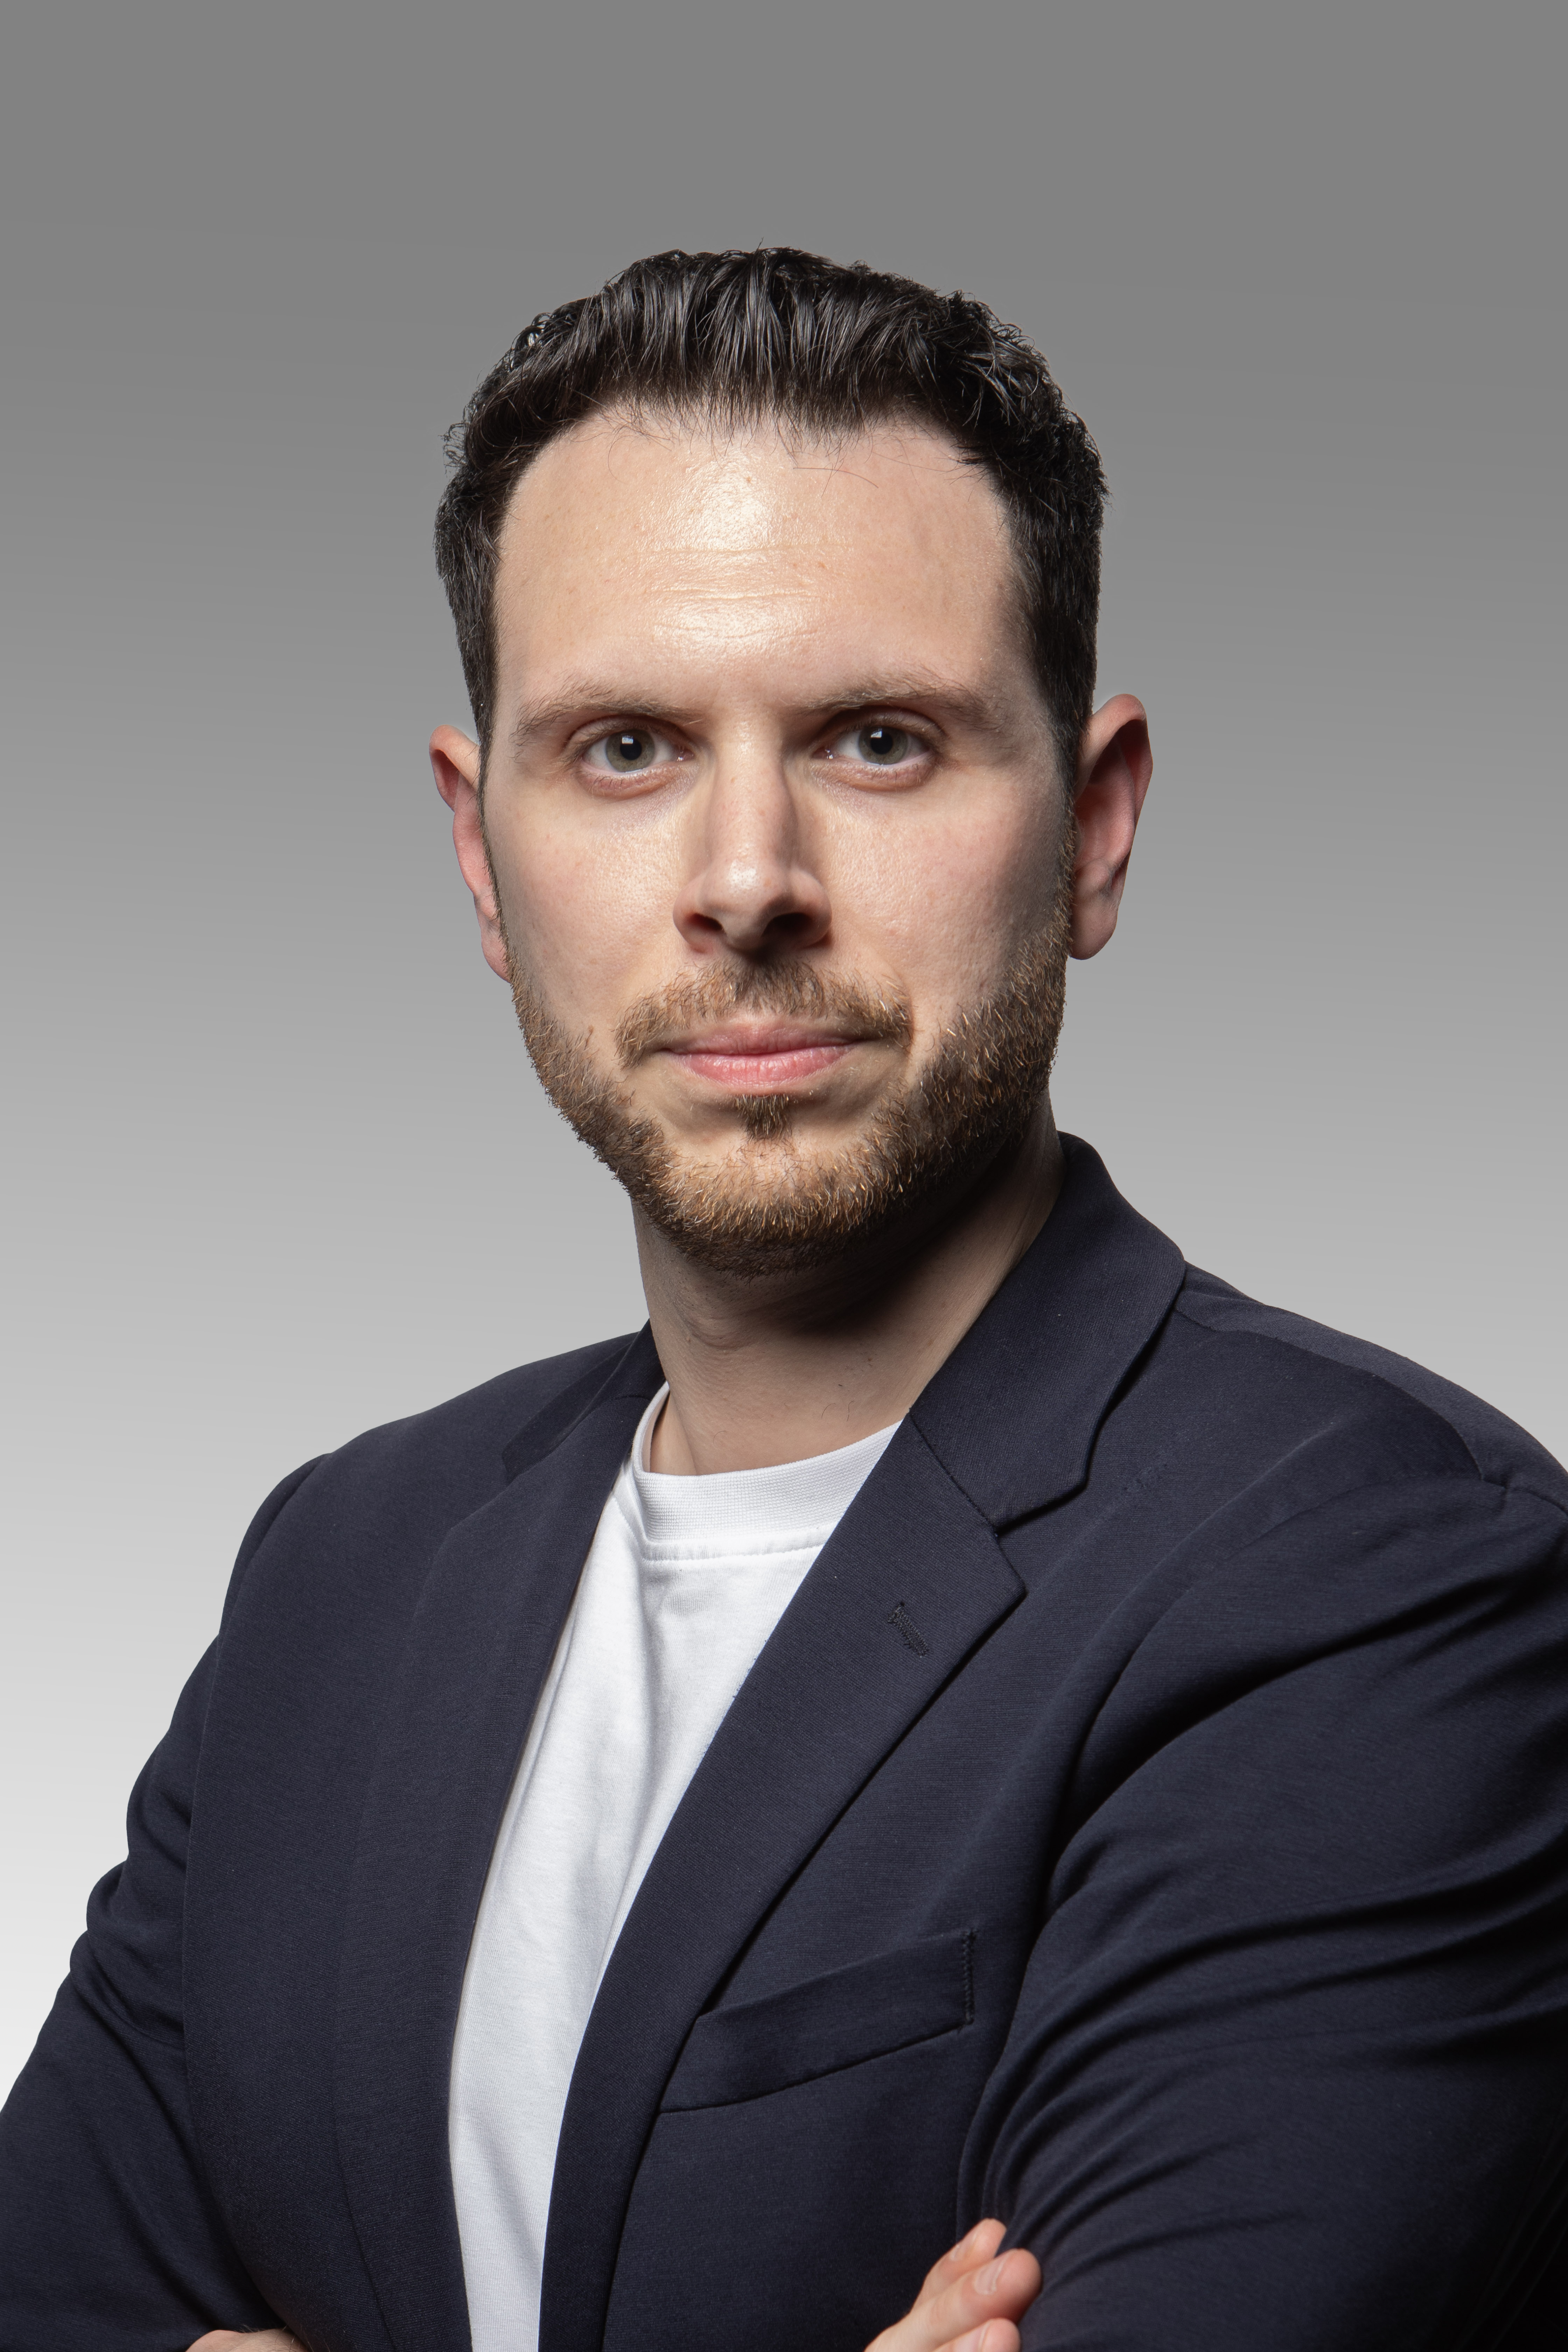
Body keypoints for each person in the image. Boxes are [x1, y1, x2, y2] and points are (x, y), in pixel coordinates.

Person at [2, 247, 1566, 2352]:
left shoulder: (1390, 1576)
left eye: (880, 740)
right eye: (627, 747)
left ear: (1094, 830)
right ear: (481, 854)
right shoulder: (342, 1569)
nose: (748, 879)